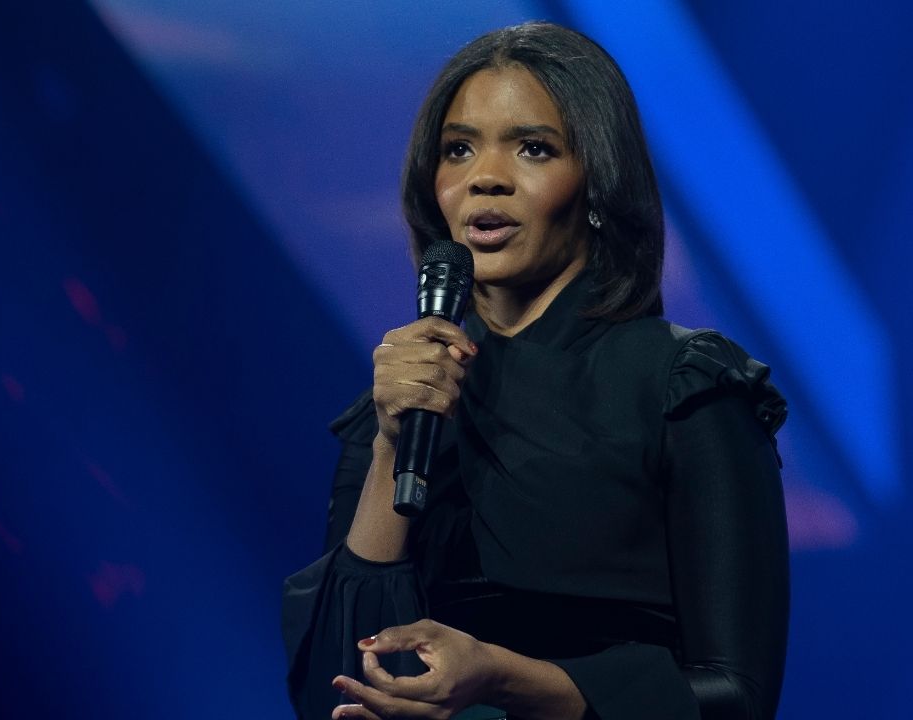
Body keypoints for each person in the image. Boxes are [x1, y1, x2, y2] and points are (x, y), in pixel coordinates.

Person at [282, 21, 790, 720]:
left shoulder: (687, 389)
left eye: (533, 148)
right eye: (457, 148)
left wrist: (501, 677)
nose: (485, 177)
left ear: (599, 184)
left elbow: (739, 698)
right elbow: (331, 693)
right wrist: (392, 446)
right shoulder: (394, 413)